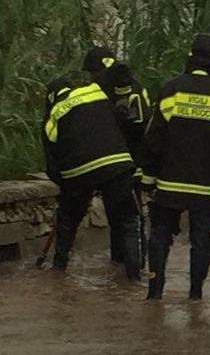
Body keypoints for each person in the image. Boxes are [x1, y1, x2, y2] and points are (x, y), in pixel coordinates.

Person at [142, 33, 210, 301]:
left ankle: (155, 293)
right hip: (209, 187)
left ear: (190, 55)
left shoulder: (170, 91)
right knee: (202, 238)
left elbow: (154, 139)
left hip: (169, 183)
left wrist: (147, 179)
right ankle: (195, 295)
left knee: (160, 234)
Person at [42, 69, 142, 280]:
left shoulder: (54, 113)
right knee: (129, 220)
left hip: (78, 172)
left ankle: (58, 270)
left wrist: (67, 187)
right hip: (116, 164)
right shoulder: (94, 91)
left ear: (51, 98)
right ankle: (134, 276)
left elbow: (52, 163)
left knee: (68, 220)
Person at [82, 46, 152, 268]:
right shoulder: (109, 88)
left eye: (92, 73)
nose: (91, 78)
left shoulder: (129, 89)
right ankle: (119, 261)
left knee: (132, 216)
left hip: (132, 163)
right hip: (114, 164)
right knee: (117, 214)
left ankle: (136, 263)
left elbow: (139, 126)